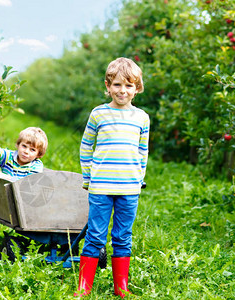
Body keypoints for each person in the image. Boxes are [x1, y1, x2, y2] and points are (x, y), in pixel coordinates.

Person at [75, 57, 150, 297]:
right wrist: (88, 178)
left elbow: (142, 151)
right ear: (108, 86)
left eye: (129, 85)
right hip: (101, 186)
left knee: (122, 236)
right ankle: (84, 287)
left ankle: (121, 287)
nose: (122, 90)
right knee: (95, 235)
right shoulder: (98, 114)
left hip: (129, 187)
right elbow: (86, 147)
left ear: (137, 88)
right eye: (117, 85)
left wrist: (139, 177)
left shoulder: (142, 118)